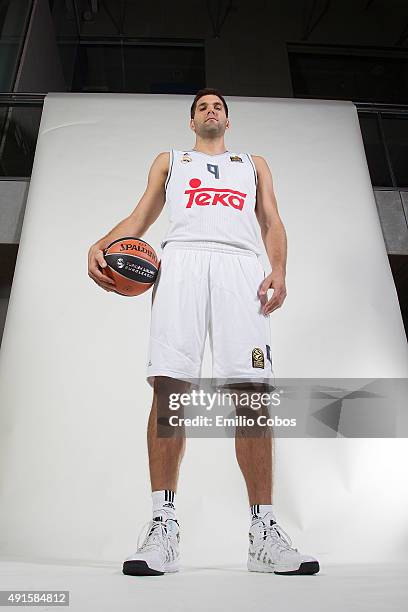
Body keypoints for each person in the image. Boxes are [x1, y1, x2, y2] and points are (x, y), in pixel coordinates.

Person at [88, 88, 320, 576]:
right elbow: (140, 218)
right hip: (181, 263)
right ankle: (162, 526)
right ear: (191, 121)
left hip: (241, 267)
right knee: (170, 389)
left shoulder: (253, 164)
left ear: (228, 122)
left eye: (218, 107)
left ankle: (264, 531)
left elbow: (272, 221)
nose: (210, 111)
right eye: (202, 107)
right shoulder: (170, 162)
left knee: (252, 393)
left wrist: (278, 267)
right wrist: (103, 241)